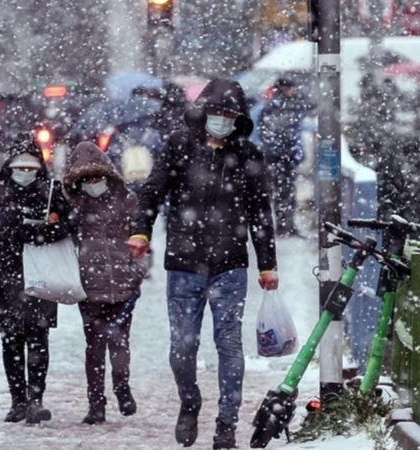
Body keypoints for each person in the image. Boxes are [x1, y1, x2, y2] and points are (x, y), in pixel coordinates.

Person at [126, 79, 279, 449]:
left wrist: (267, 263)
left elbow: (260, 213)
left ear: (238, 118)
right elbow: (153, 190)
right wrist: (141, 232)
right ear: (203, 112)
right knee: (182, 347)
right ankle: (189, 401)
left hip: (230, 264)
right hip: (183, 262)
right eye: (216, 112)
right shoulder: (179, 145)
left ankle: (227, 422)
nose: (221, 120)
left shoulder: (248, 155)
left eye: (229, 114)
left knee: (228, 344)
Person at [0, 137, 70, 424]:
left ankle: (35, 400)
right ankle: (17, 401)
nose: (25, 172)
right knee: (11, 339)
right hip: (5, 275)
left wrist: (40, 233)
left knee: (38, 337)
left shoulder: (51, 191)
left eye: (31, 166)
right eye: (19, 166)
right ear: (9, 166)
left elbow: (68, 224)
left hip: (40, 272)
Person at [63, 141, 148, 425]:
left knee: (120, 342)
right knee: (94, 346)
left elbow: (142, 238)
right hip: (90, 286)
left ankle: (122, 388)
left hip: (124, 284)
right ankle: (96, 402)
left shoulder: (127, 199)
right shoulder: (73, 205)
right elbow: (61, 238)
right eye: (86, 179)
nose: (93, 183)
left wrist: (136, 273)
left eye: (97, 177)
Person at [258, 78, 314, 236]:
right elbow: (281, 132)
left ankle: (284, 225)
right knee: (285, 191)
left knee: (282, 192)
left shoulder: (273, 106)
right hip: (281, 156)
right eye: (291, 88)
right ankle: (285, 226)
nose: (294, 91)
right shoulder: (282, 107)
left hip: (278, 156)